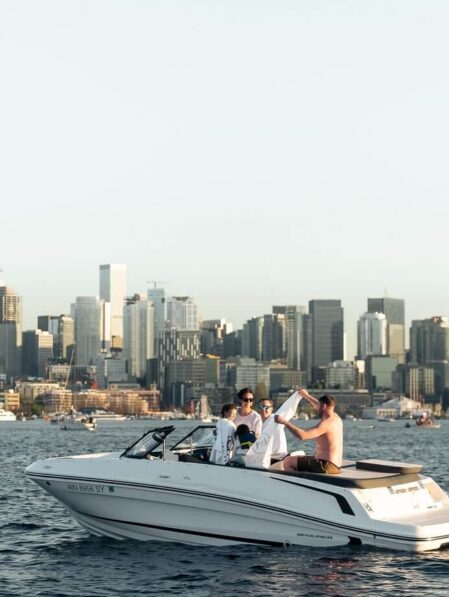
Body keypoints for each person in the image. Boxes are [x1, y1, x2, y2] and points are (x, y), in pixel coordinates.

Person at [274, 389, 342, 474]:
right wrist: (306, 395)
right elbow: (318, 405)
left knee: (288, 461)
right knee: (299, 457)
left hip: (325, 466)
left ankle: (296, 485)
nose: (316, 409)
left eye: (319, 406)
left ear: (324, 406)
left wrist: (285, 422)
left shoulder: (325, 424)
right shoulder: (336, 418)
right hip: (335, 465)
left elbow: (303, 436)